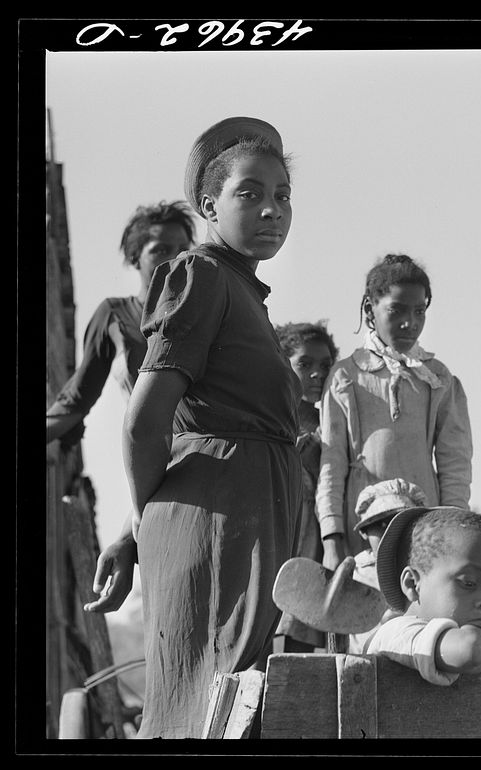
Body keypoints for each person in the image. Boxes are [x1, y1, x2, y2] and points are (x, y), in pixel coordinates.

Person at [86, 116, 302, 738]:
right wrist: (141, 526)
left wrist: (134, 534)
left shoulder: (245, 293)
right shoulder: (200, 276)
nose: (272, 210)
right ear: (208, 203)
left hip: (250, 518)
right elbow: (144, 422)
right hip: (216, 529)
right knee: (212, 709)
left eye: (283, 195)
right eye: (250, 193)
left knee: (239, 707)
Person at [315, 253, 473, 575]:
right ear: (370, 308)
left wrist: (453, 526)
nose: (409, 323)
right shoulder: (347, 376)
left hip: (424, 523)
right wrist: (332, 538)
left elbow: (454, 462)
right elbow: (331, 462)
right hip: (362, 524)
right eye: (396, 310)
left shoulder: (438, 378)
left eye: (419, 312)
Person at [46, 200, 197, 448]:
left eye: (183, 249)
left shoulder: (208, 309)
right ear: (135, 258)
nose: (175, 259)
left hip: (221, 458)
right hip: (158, 463)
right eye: (161, 250)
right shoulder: (114, 315)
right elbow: (78, 398)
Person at [366, 506, 481, 685]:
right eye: (468, 583)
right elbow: (472, 649)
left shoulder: (447, 647)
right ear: (412, 584)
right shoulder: (395, 633)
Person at [271, 321, 339, 654]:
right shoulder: (269, 422)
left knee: (297, 649)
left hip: (314, 553)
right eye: (304, 364)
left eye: (325, 366)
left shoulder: (332, 425)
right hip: (277, 545)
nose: (317, 373)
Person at [346, 477, 426, 653]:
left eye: (399, 523)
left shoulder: (428, 569)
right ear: (364, 532)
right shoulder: (354, 573)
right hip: (366, 664)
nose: (391, 531)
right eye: (381, 525)